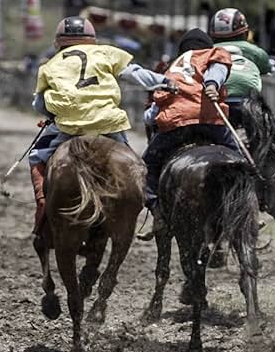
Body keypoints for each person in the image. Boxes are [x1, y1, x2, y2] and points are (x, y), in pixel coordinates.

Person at [29, 16, 174, 240]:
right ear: (92, 39)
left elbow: (39, 104)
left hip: (69, 127)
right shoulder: (107, 52)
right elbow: (135, 74)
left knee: (37, 157)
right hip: (108, 124)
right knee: (135, 167)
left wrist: (51, 114)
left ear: (59, 42)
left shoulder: (49, 66)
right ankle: (149, 208)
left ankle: (42, 208)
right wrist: (164, 81)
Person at [137, 28, 239, 241]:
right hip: (211, 120)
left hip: (177, 124)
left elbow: (155, 107)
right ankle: (244, 206)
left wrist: (148, 116)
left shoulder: (173, 68)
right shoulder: (214, 54)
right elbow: (218, 71)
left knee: (147, 167)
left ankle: (157, 211)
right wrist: (212, 85)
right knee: (239, 160)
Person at [208, 8, 275, 128]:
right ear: (245, 32)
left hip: (215, 103)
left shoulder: (206, 51)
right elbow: (266, 68)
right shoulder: (256, 51)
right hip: (248, 103)